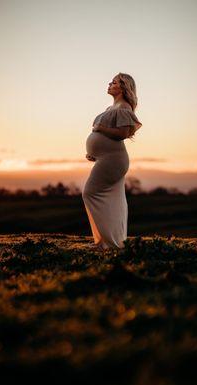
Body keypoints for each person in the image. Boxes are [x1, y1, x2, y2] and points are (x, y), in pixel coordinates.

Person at [82, 72, 143, 251]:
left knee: (90, 193)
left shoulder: (124, 107)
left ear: (123, 87)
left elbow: (123, 134)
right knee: (114, 202)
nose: (109, 84)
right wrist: (94, 152)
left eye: (114, 82)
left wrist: (100, 129)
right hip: (106, 158)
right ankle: (104, 242)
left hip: (114, 160)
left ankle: (109, 242)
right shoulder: (112, 108)